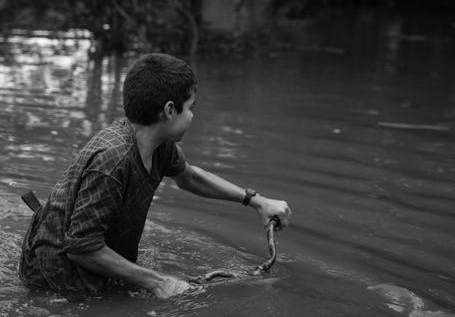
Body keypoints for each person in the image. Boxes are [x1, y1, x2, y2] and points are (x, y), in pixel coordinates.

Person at [18, 53, 292, 298]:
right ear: (170, 110)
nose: (193, 116)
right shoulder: (112, 161)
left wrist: (257, 201)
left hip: (95, 273)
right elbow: (81, 247)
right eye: (191, 107)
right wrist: (157, 281)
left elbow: (190, 177)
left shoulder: (160, 147)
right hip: (57, 283)